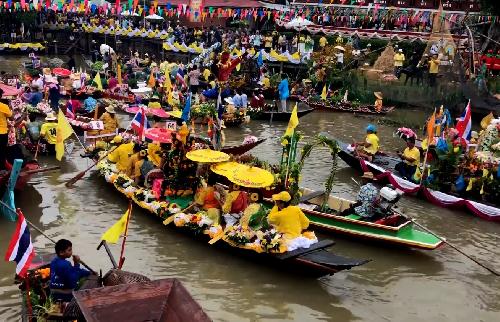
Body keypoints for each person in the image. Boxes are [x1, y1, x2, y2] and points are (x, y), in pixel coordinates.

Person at [0, 88, 12, 171]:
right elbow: (10, 116)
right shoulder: (3, 106)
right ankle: (1, 170)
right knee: (2, 152)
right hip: (2, 133)